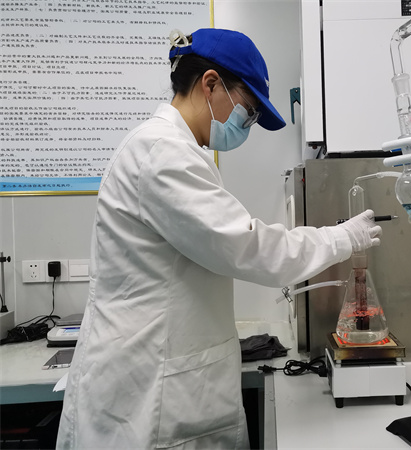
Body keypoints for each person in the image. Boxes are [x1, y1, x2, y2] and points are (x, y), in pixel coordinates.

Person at [56, 28, 381, 449]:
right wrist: (341, 238)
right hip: (146, 400)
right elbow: (249, 247)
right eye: (248, 110)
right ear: (210, 84)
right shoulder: (162, 153)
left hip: (154, 374)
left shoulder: (170, 149)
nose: (246, 125)